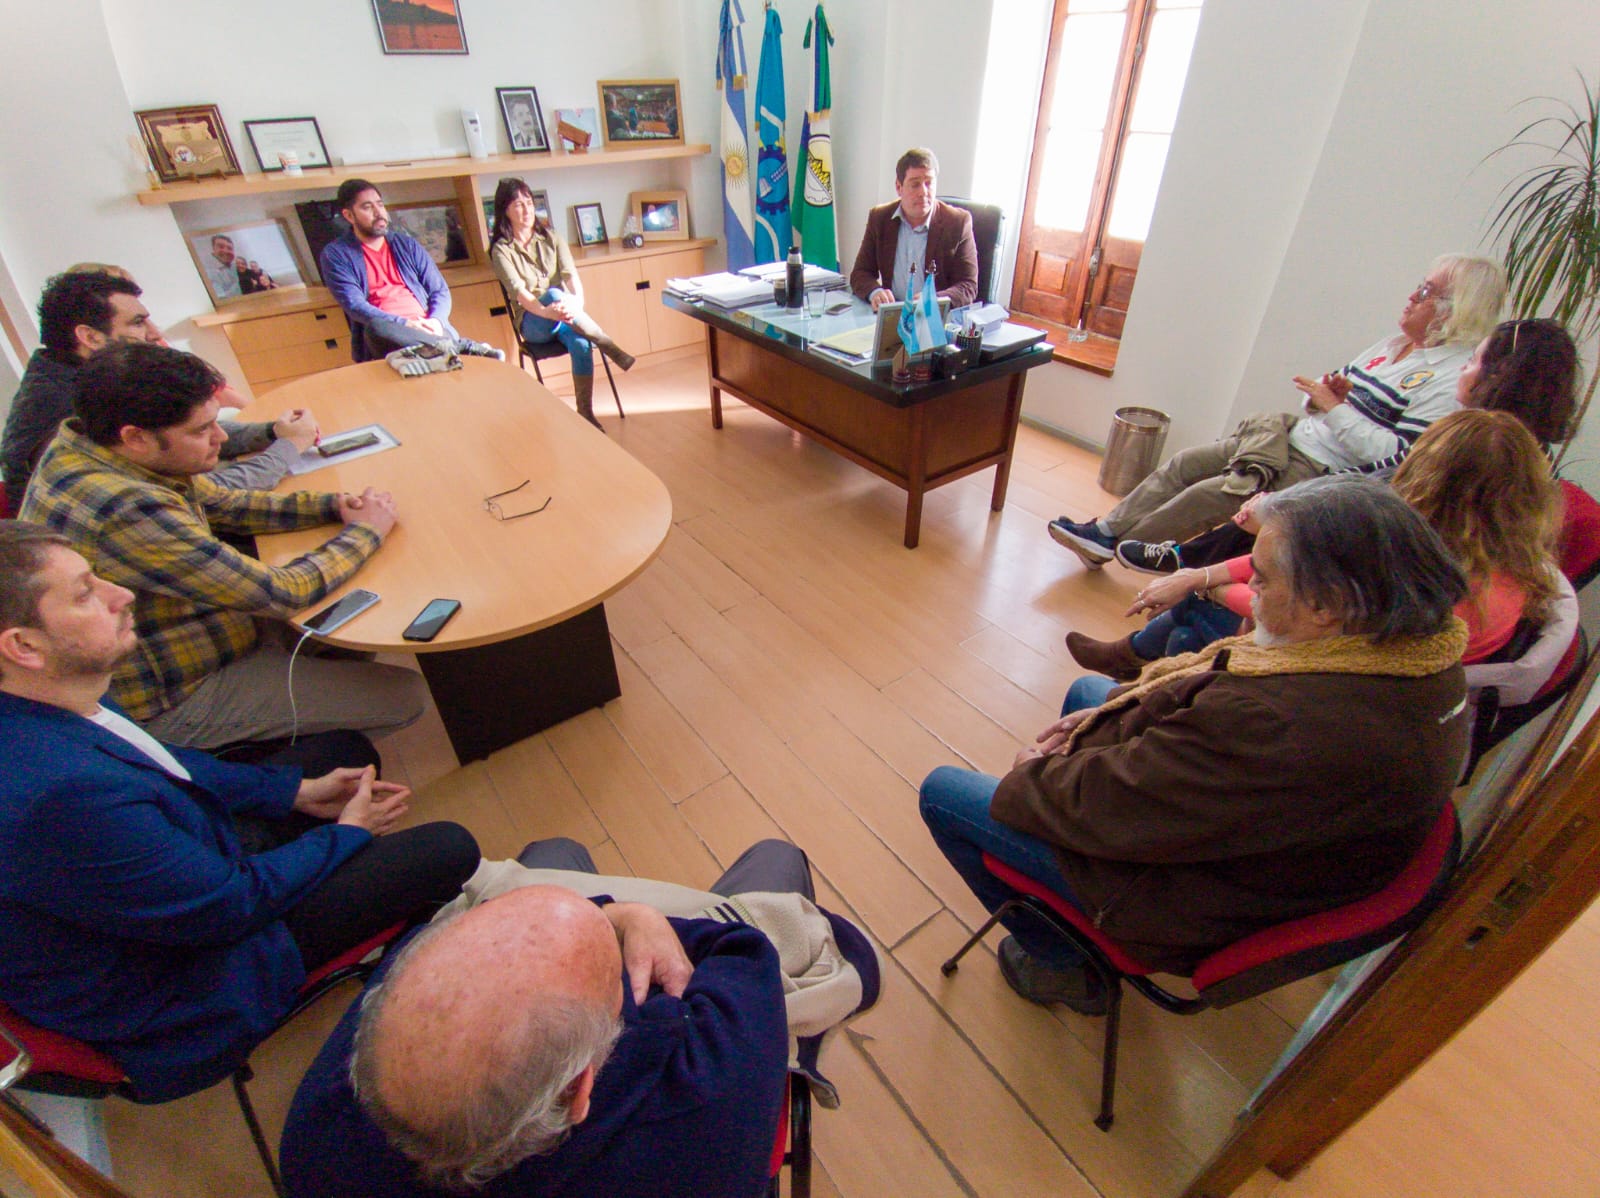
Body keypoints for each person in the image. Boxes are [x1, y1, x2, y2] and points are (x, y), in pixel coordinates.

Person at [922, 476, 1471, 1013]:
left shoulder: (1270, 723)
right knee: (1091, 694)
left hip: (1194, 894)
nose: (1250, 592)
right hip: (1263, 852)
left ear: (1325, 605)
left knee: (945, 793)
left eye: (1262, 579)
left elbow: (1112, 803)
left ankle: (1062, 962)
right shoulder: (1421, 659)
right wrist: (1114, 711)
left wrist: (1031, 776)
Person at [0, 521, 480, 1102]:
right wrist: (349, 835)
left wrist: (294, 792)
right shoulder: (59, 796)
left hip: (171, 883)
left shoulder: (44, 692)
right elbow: (228, 905)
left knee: (343, 753)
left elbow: (163, 763)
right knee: (447, 847)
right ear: (23, 646)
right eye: (85, 594)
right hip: (186, 982)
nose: (120, 594)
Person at [281, 839, 880, 1198]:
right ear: (581, 1088)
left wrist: (606, 918)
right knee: (776, 858)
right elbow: (742, 952)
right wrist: (630, 917)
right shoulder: (705, 1095)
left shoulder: (312, 1147)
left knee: (553, 853)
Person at [19, 340, 427, 749]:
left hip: (195, 632)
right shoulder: (127, 507)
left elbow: (223, 503)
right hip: (174, 693)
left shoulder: (87, 444)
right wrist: (365, 531)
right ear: (136, 437)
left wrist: (332, 505)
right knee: (402, 694)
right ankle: (280, 754)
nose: (220, 436)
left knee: (344, 613)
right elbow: (284, 593)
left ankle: (308, 707)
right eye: (201, 430)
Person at [1049, 255, 1507, 569]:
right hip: (1290, 439)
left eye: (1426, 290)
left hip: (1321, 469)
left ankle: (1120, 546)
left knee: (1205, 496)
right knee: (1184, 463)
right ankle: (1104, 532)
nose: (1411, 295)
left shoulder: (1447, 378)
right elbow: (1323, 400)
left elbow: (1397, 460)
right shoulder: (1391, 346)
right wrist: (1325, 398)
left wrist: (1335, 408)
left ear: (1454, 310)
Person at [1071, 408, 1562, 679]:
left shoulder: (1427, 570)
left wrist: (1206, 587)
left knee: (1195, 620)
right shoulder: (1504, 563)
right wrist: (1202, 576)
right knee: (1196, 611)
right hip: (1342, 660)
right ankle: (1140, 663)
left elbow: (1313, 619)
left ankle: (1138, 670)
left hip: (1332, 673)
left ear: (1431, 477)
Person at [1114, 316, 1583, 576]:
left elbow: (1388, 480)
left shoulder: (1482, 440)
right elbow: (1388, 471)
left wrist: (1290, 500)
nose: (1464, 368)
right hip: (1325, 462)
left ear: (1500, 375)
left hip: (1381, 544)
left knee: (1262, 508)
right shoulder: (1516, 441)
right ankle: (1178, 565)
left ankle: (1187, 565)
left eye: (1475, 362)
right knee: (1204, 472)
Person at [1, 269, 315, 502]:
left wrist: (273, 432)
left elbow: (185, 432)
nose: (154, 333)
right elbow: (203, 495)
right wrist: (287, 447)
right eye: (138, 323)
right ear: (90, 337)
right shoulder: (72, 407)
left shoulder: (73, 373)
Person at [488, 177, 636, 429]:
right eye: (518, 205)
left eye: (529, 203)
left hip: (564, 315)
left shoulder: (552, 237)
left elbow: (571, 276)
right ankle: (608, 345)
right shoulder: (502, 250)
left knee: (581, 342)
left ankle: (585, 413)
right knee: (555, 295)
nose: (527, 210)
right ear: (505, 211)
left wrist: (577, 303)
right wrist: (548, 311)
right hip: (533, 322)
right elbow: (521, 293)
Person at [318, 178, 503, 361]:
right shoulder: (336, 255)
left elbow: (439, 290)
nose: (378, 212)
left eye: (380, 205)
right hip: (390, 334)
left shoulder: (406, 244)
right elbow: (355, 305)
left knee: (435, 336)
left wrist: (436, 320)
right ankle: (460, 348)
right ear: (349, 216)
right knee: (376, 328)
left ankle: (443, 348)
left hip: (429, 327)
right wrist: (406, 324)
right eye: (367, 207)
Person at [849, 147, 979, 312]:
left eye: (929, 183)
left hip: (933, 318)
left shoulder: (958, 222)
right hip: (892, 316)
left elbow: (968, 285)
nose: (923, 192)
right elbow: (860, 273)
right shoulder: (880, 218)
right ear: (899, 187)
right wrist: (875, 292)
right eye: (915, 184)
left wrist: (934, 299)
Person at [204, 234, 243, 300]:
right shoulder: (208, 273)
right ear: (213, 251)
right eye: (221, 247)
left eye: (230, 248)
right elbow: (221, 298)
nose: (226, 251)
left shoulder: (237, 266)